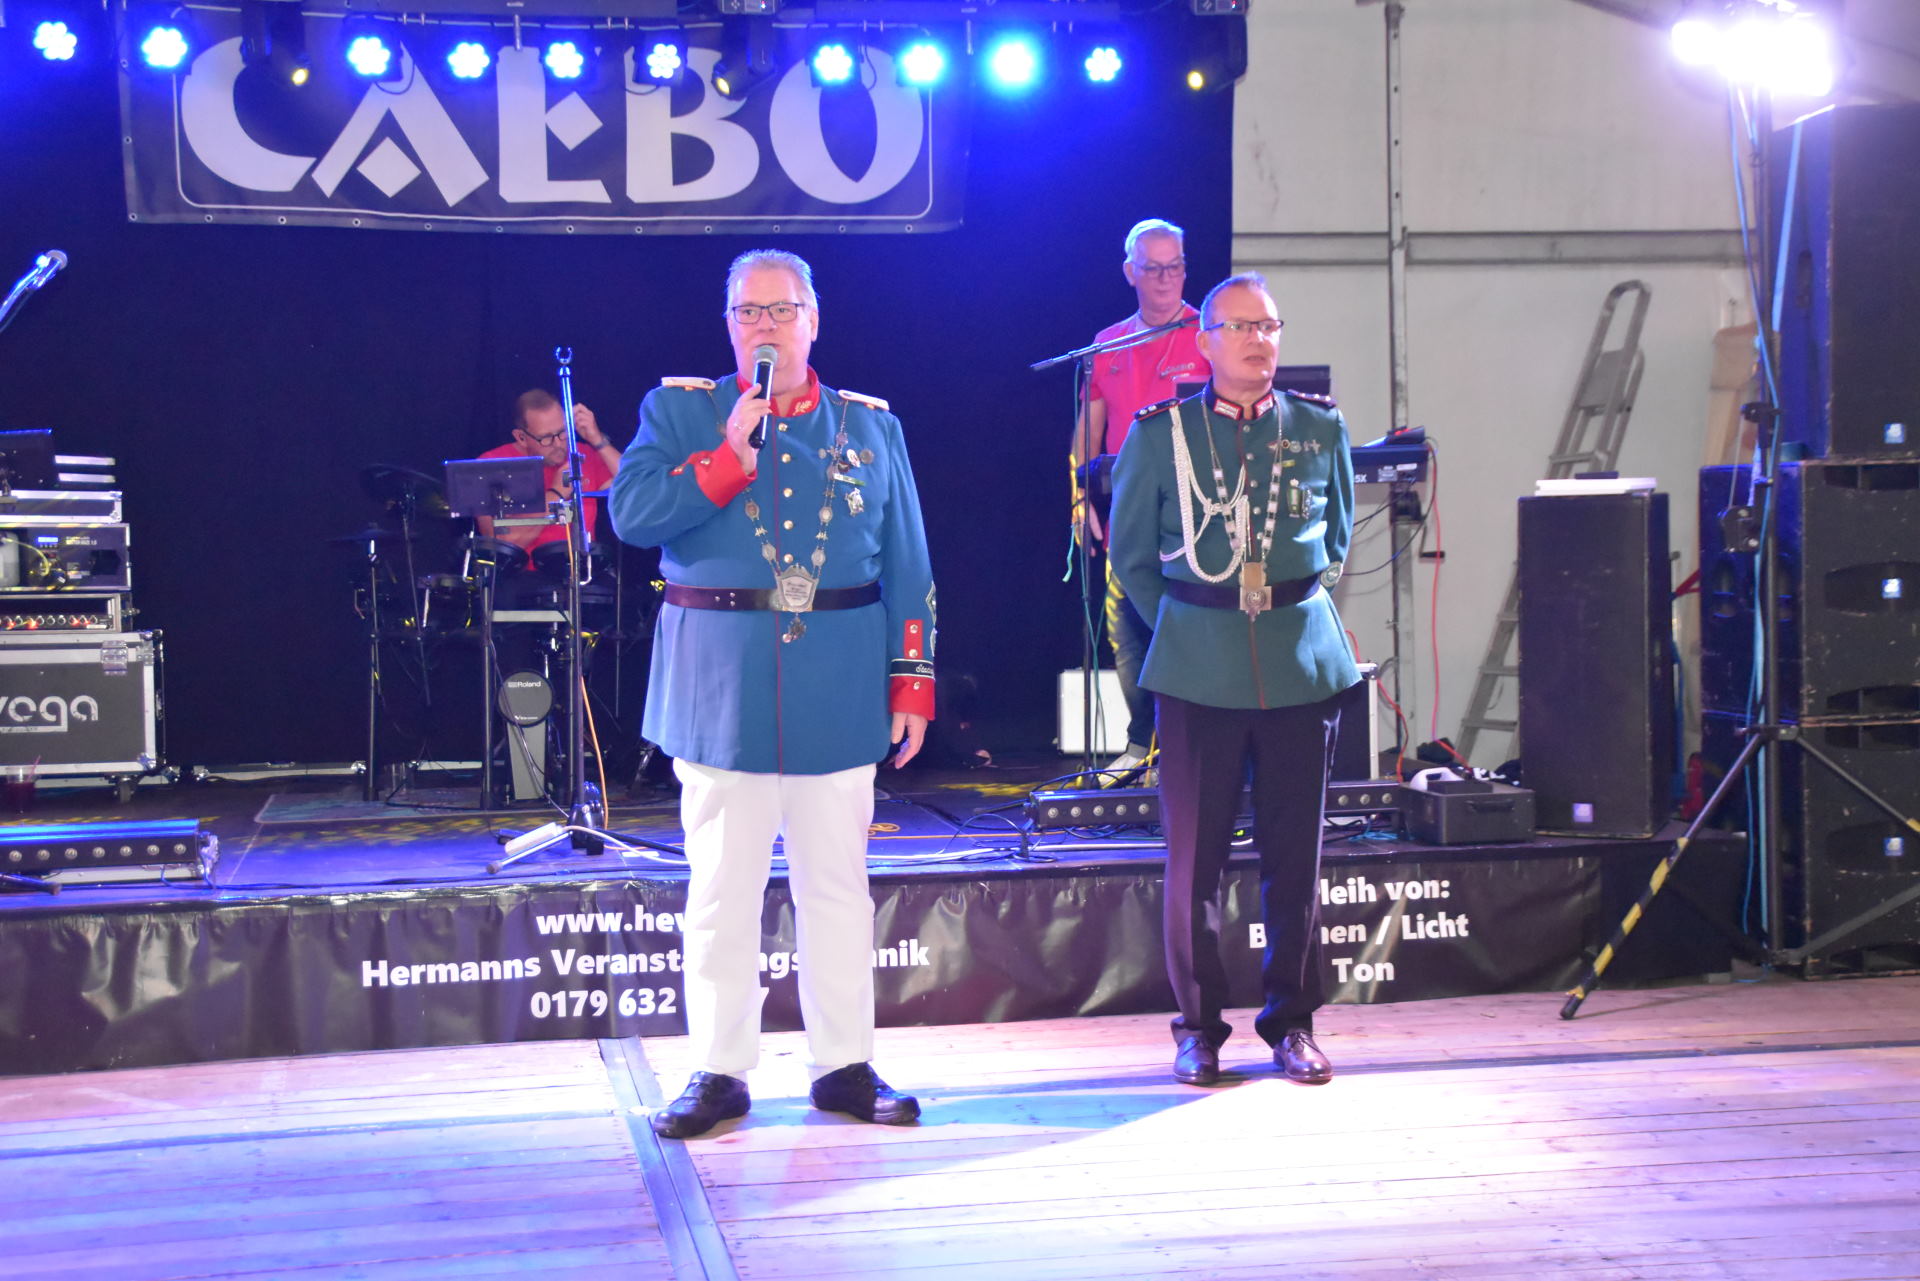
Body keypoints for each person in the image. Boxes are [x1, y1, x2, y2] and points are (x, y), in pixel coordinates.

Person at [609, 249, 936, 1140]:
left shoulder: (870, 425)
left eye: (781, 310)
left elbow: (908, 560)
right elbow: (631, 515)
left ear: (813, 320)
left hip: (839, 681)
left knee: (838, 888)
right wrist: (727, 455)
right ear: (728, 325)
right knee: (721, 889)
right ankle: (719, 1069)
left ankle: (845, 1065)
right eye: (748, 312)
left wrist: (912, 677)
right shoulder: (680, 412)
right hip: (720, 687)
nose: (765, 326)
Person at [1107, 271, 1360, 1089]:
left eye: (1270, 326)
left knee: (1297, 857)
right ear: (1205, 341)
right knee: (1195, 863)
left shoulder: (1319, 427)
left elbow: (1337, 538)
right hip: (1197, 668)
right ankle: (1198, 1029)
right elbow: (1132, 559)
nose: (1259, 340)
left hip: (1298, 664)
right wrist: (1192, 624)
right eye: (1241, 327)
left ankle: (1293, 1023)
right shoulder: (1161, 434)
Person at [1070, 219, 1210, 782]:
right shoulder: (1108, 344)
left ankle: (1188, 752)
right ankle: (1139, 746)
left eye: (1175, 267)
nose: (1165, 279)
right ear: (1131, 272)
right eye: (1153, 268)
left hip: (1196, 515)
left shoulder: (1207, 333)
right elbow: (1088, 430)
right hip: (1128, 512)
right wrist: (1078, 498)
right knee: (1127, 634)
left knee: (1185, 630)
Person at [477, 390, 621, 552]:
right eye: (546, 438)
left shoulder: (581, 454)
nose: (558, 444)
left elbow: (636, 486)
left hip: (581, 564)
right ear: (521, 437)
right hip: (524, 567)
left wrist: (598, 440)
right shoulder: (492, 464)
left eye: (563, 432)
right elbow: (499, 543)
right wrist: (556, 493)